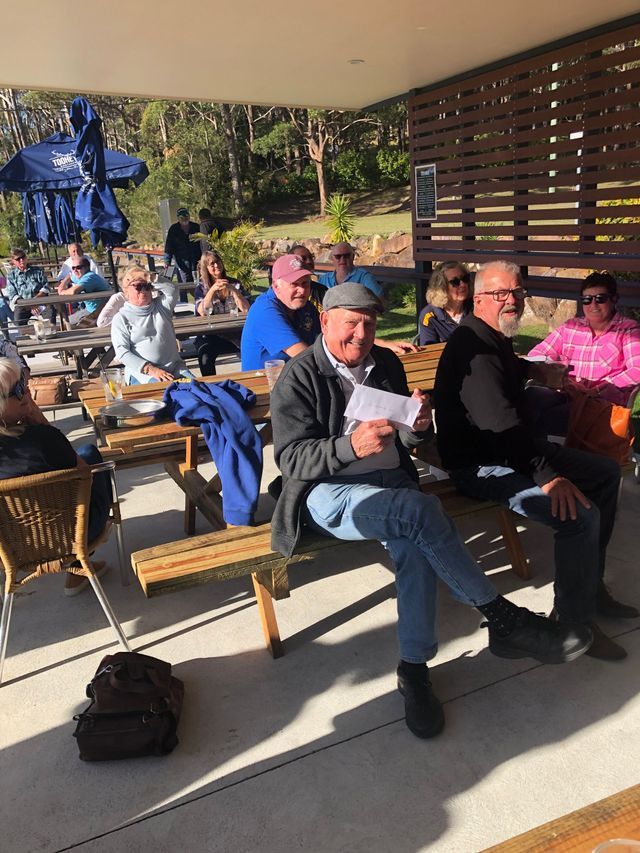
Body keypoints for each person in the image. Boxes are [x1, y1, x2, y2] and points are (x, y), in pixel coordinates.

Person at [269, 283, 592, 739]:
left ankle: (413, 671)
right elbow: (291, 459)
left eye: (369, 324)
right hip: (331, 493)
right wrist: (349, 447)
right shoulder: (299, 376)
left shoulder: (386, 366)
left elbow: (404, 441)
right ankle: (502, 617)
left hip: (393, 486)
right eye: (351, 323)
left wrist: (417, 428)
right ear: (326, 322)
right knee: (418, 513)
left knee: (415, 546)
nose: (361, 334)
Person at [433, 260, 637, 662]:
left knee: (606, 472)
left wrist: (537, 370)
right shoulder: (471, 346)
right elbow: (501, 427)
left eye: (517, 292)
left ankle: (588, 588)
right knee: (579, 517)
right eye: (500, 294)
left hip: (511, 449)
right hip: (482, 464)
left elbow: (507, 370)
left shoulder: (494, 336)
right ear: (478, 299)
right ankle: (574, 624)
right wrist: (549, 477)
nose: (512, 301)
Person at [0, 357, 110, 595]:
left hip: (12, 547)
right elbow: (83, 476)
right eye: (19, 389)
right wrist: (43, 424)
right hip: (74, 535)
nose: (26, 392)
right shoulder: (41, 438)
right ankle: (78, 567)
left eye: (25, 384)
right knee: (90, 454)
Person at [528, 272, 640, 407]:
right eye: (587, 299)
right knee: (529, 399)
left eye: (600, 298)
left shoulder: (628, 330)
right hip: (567, 397)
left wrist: (599, 388)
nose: (593, 305)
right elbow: (537, 355)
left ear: (614, 299)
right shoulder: (570, 327)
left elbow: (637, 369)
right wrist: (560, 376)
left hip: (604, 404)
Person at [111, 264, 190, 384]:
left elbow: (173, 290)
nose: (143, 290)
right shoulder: (121, 318)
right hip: (143, 374)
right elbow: (122, 353)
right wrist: (152, 370)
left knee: (198, 390)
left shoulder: (162, 306)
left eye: (147, 286)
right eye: (138, 286)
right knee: (163, 395)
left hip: (175, 368)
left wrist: (148, 276)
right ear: (125, 289)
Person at [240, 253, 320, 370]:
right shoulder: (264, 310)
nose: (302, 290)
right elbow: (304, 356)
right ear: (276, 286)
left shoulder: (306, 307)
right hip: (261, 384)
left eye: (305, 283)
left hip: (294, 379)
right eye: (294, 284)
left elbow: (324, 343)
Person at [194, 251, 249, 375]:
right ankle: (211, 388)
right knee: (204, 355)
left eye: (218, 262)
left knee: (253, 349)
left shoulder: (236, 284)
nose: (216, 266)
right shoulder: (201, 288)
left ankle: (250, 380)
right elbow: (202, 312)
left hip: (236, 333)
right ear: (206, 268)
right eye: (211, 264)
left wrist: (234, 290)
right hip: (211, 334)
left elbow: (246, 310)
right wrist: (212, 290)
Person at [419, 261, 473, 345]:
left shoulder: (477, 306)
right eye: (455, 282)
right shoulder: (429, 316)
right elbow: (429, 350)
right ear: (442, 287)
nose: (463, 284)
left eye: (465, 278)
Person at [318, 242, 384, 298]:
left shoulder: (364, 277)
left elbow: (380, 300)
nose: (342, 260)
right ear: (332, 259)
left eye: (346, 256)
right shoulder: (324, 279)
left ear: (353, 257)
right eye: (338, 257)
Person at [57, 257, 111, 324]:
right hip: (90, 310)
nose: (75, 270)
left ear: (87, 267)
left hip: (97, 313)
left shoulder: (89, 277)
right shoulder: (82, 276)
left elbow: (73, 291)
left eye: (78, 267)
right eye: (73, 268)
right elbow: (70, 277)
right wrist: (62, 285)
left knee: (64, 323)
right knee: (62, 322)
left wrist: (62, 292)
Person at [5, 249, 50, 327]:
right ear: (13, 261)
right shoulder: (11, 276)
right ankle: (26, 336)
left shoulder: (37, 271)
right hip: (23, 305)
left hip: (40, 302)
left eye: (23, 257)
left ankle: (51, 333)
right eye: (18, 259)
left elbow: (46, 287)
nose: (21, 260)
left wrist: (35, 301)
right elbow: (13, 296)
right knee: (18, 319)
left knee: (50, 312)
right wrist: (30, 305)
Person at [163, 207, 202, 284]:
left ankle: (199, 296)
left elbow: (202, 244)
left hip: (196, 261)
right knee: (184, 284)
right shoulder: (173, 229)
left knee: (198, 283)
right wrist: (167, 261)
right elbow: (168, 247)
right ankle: (184, 296)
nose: (184, 219)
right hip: (181, 263)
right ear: (178, 218)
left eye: (186, 216)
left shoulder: (196, 227)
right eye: (182, 217)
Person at [291, 244, 327, 311]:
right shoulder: (288, 292)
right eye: (303, 259)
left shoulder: (322, 291)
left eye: (311, 258)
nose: (309, 261)